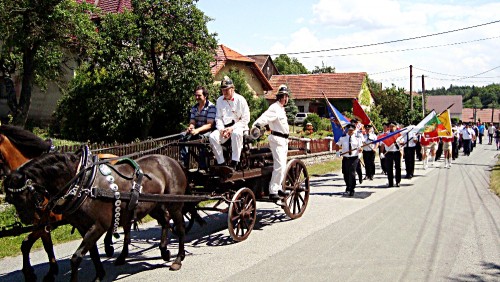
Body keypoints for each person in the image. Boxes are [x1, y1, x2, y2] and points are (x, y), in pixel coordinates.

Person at [252, 84, 290, 200]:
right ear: (281, 97)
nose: (286, 98)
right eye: (285, 96)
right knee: (279, 166)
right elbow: (265, 117)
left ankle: (278, 188)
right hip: (277, 140)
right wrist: (257, 125)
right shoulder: (275, 108)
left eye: (287, 96)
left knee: (282, 166)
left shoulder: (281, 109)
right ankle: (273, 191)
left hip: (283, 140)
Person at [209, 76, 250, 169]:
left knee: (236, 133)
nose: (224, 92)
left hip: (239, 127)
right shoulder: (219, 100)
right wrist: (221, 130)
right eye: (223, 90)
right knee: (212, 137)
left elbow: (246, 119)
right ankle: (221, 163)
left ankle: (235, 161)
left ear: (232, 89)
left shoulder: (241, 100)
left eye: (227, 90)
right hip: (225, 129)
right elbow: (218, 117)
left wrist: (232, 128)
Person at [180, 86, 216, 169]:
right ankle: (184, 164)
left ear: (205, 96)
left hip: (208, 131)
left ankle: (202, 166)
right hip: (197, 130)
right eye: (195, 95)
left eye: (199, 96)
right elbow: (192, 122)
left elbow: (210, 124)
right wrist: (191, 128)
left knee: (201, 138)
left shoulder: (211, 107)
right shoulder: (194, 108)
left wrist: (197, 130)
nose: (197, 97)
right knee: (182, 136)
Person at [335, 123, 363, 196]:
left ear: (354, 131)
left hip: (354, 158)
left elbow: (360, 148)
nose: (351, 132)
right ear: (347, 130)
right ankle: (348, 186)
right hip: (346, 158)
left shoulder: (357, 138)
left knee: (352, 173)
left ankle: (352, 188)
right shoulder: (343, 138)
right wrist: (337, 152)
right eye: (349, 130)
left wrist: (360, 152)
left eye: (352, 130)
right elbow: (337, 145)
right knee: (345, 173)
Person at [382, 121, 402, 187]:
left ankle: (398, 181)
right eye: (390, 126)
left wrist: (401, 144)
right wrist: (382, 152)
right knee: (389, 168)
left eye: (393, 126)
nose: (391, 128)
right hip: (388, 153)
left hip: (396, 152)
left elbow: (402, 142)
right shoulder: (386, 135)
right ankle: (390, 182)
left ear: (396, 127)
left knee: (398, 167)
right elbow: (382, 144)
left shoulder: (399, 134)